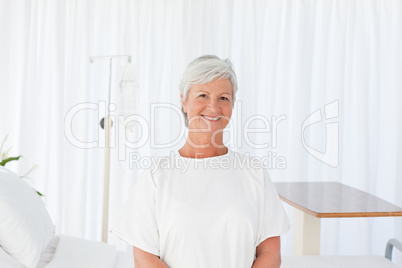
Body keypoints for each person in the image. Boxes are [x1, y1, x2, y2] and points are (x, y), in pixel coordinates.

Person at [111, 55, 290, 268]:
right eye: (203, 95)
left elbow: (270, 253)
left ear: (233, 104)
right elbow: (144, 258)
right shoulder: (157, 176)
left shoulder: (254, 174)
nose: (213, 108)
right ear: (184, 101)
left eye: (223, 98)